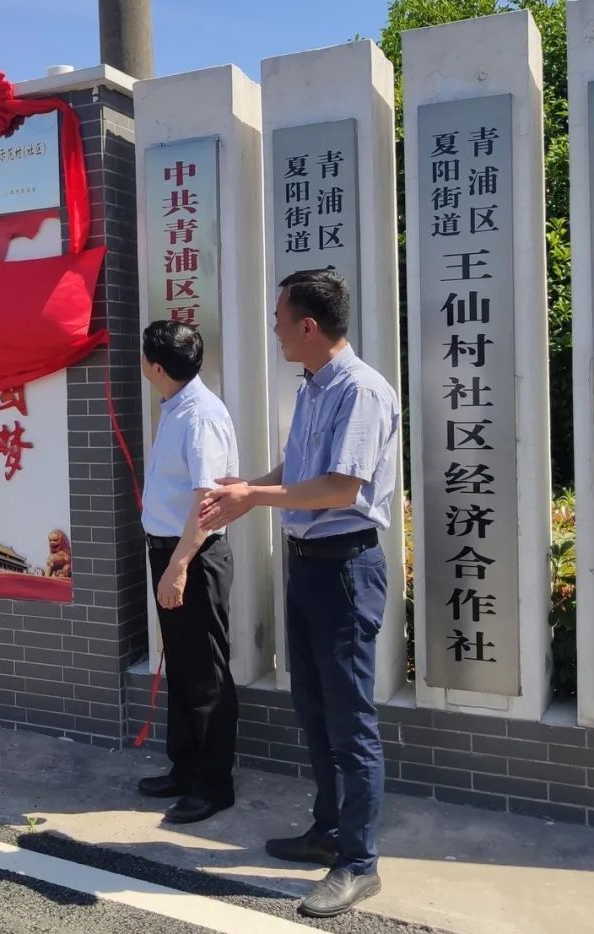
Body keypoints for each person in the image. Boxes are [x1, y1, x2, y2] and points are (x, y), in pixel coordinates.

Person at [200, 269, 397, 918]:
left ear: (309, 327)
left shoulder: (362, 392)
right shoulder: (314, 387)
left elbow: (341, 487)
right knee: (313, 709)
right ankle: (328, 831)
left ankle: (359, 862)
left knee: (350, 721)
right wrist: (246, 492)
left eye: (281, 319)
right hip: (308, 564)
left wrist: (253, 497)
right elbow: (300, 471)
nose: (275, 329)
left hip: (345, 568)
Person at [137, 320, 240, 825]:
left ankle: (213, 784)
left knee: (206, 673)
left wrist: (178, 565)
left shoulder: (200, 416)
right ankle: (185, 767)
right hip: (173, 553)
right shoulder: (177, 408)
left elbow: (207, 502)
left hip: (194, 557)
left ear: (157, 368)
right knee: (181, 666)